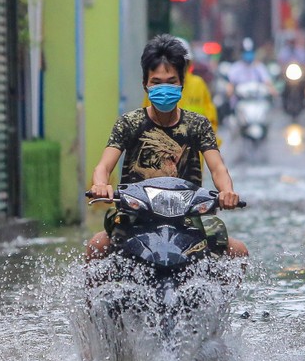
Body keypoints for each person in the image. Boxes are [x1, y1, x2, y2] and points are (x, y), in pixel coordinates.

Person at [87, 34, 247, 261]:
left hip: (189, 217)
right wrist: (101, 185)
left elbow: (218, 167)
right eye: (156, 82)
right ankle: (94, 298)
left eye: (171, 81)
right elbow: (103, 166)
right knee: (97, 245)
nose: (164, 88)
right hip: (135, 216)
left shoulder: (198, 125)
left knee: (237, 251)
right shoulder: (129, 123)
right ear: (145, 84)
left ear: (182, 83)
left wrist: (226, 192)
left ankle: (221, 298)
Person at [141, 37, 223, 152]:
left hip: (194, 153)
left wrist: (206, 144)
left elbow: (211, 118)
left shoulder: (198, 84)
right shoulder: (157, 88)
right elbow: (146, 119)